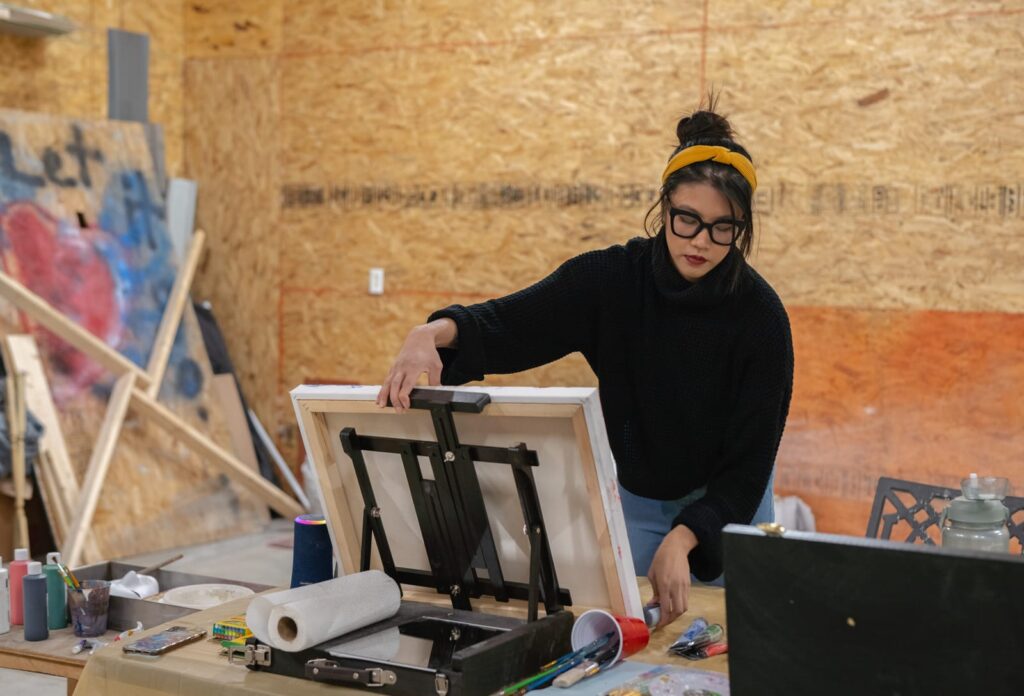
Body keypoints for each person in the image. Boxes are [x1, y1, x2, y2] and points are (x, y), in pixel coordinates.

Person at [376, 102, 793, 629]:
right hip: (642, 498)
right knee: (642, 639)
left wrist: (687, 537)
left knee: (725, 646)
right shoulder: (613, 281)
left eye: (721, 228)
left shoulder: (761, 320)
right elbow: (514, 322)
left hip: (730, 503)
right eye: (686, 220)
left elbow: (748, 467)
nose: (700, 242)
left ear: (741, 229)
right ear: (664, 208)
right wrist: (431, 334)